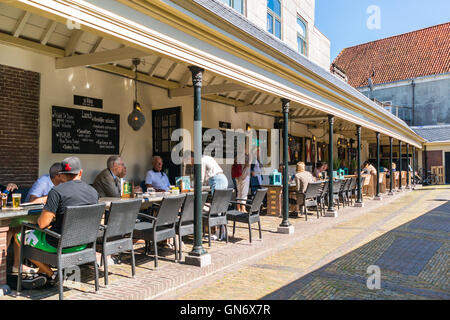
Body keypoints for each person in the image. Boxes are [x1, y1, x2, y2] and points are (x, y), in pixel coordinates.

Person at [13, 157, 99, 288]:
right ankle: (42, 273)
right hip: (83, 244)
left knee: (19, 236)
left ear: (62, 175)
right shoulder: (93, 192)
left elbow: (42, 224)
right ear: (80, 172)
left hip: (58, 244)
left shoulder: (57, 191)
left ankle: (51, 274)